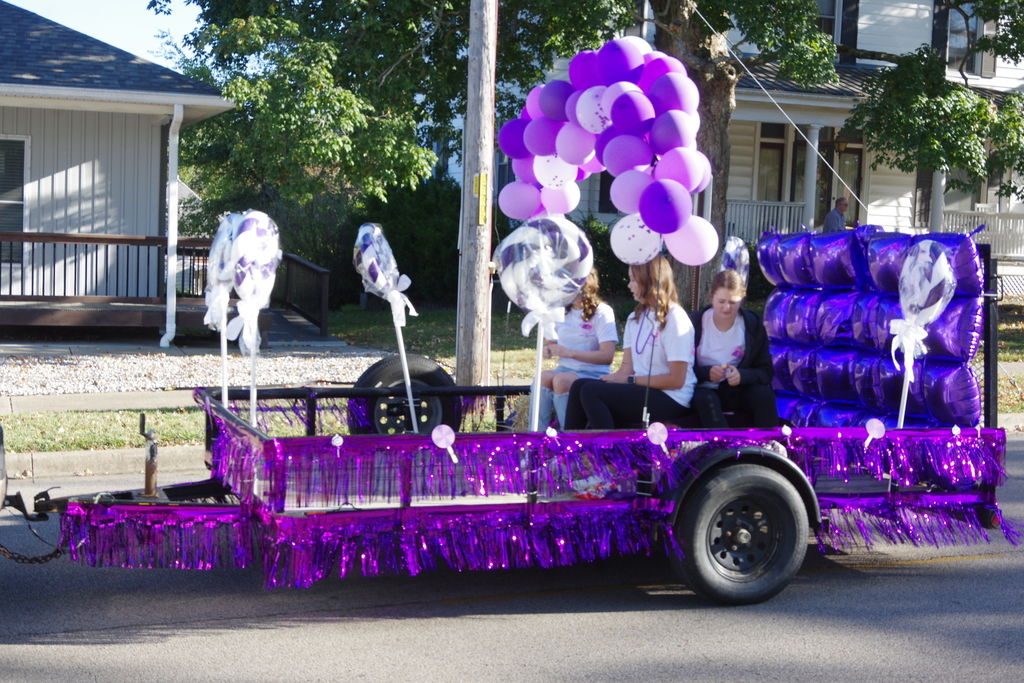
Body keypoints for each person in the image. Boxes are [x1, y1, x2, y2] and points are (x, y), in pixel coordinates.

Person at [563, 255, 697, 430]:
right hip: (642, 388)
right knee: (580, 386)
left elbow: (676, 380)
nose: (629, 285)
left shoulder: (675, 318)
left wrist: (630, 380)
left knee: (591, 392)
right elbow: (627, 368)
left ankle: (607, 451)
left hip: (671, 398)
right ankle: (568, 450)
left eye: (633, 280)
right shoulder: (634, 318)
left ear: (649, 282)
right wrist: (615, 378)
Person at [689, 269, 777, 429]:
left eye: (733, 302)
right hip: (703, 390)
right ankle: (724, 449)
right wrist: (706, 373)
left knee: (764, 396)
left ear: (743, 298)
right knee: (706, 400)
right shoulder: (693, 324)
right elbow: (681, 369)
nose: (726, 308)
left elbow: (766, 372)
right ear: (711, 296)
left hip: (738, 391)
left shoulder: (753, 325)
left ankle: (768, 446)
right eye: (721, 301)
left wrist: (742, 376)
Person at [533, 269, 618, 429]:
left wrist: (570, 353)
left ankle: (570, 439)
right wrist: (547, 350)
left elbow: (607, 356)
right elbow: (549, 343)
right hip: (564, 369)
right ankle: (537, 437)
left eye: (579, 287)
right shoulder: (558, 311)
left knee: (562, 380)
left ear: (590, 286)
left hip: (593, 373)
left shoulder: (602, 312)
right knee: (542, 378)